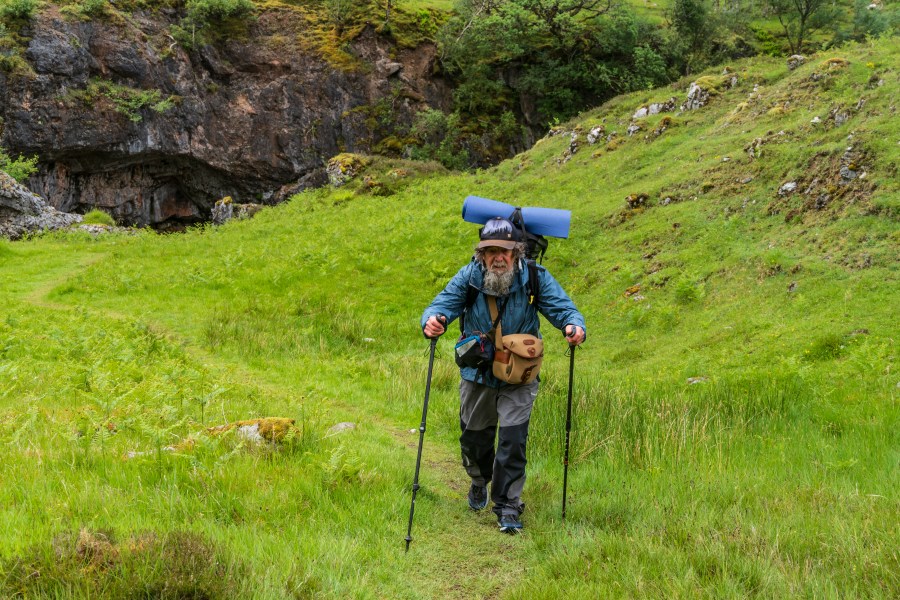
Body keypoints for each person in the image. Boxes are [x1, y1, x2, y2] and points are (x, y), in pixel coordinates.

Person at [421, 216, 586, 533]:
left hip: (520, 376)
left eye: (505, 251)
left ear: (518, 252)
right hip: (477, 375)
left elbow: (564, 308)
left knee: (512, 440)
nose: (498, 257)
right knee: (474, 441)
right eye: (491, 250)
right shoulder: (469, 277)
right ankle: (479, 480)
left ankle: (508, 507)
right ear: (481, 254)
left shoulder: (535, 278)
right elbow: (441, 304)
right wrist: (432, 320)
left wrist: (573, 326)